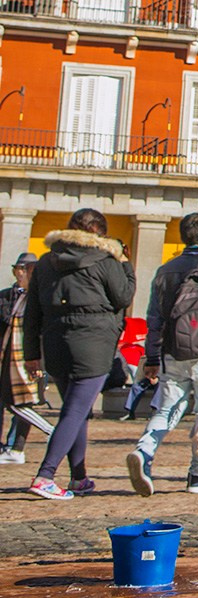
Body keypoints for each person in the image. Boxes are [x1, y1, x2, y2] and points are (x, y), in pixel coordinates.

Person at [21, 209, 133, 500]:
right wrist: (126, 266)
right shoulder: (106, 260)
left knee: (78, 411)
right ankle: (45, 475)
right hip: (92, 344)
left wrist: (32, 353)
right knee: (74, 412)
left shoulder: (46, 262)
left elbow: (32, 311)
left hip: (55, 342)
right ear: (101, 234)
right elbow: (123, 297)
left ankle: (79, 477)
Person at [128, 211, 198, 498]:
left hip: (172, 350)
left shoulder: (164, 270)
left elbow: (153, 318)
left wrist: (151, 357)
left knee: (165, 409)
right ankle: (197, 474)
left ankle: (144, 452)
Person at [2, 252, 40, 467]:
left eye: (25, 269)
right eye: (18, 268)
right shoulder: (6, 296)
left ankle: (17, 446)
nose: (20, 273)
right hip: (7, 357)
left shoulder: (36, 297)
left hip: (27, 357)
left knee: (24, 404)